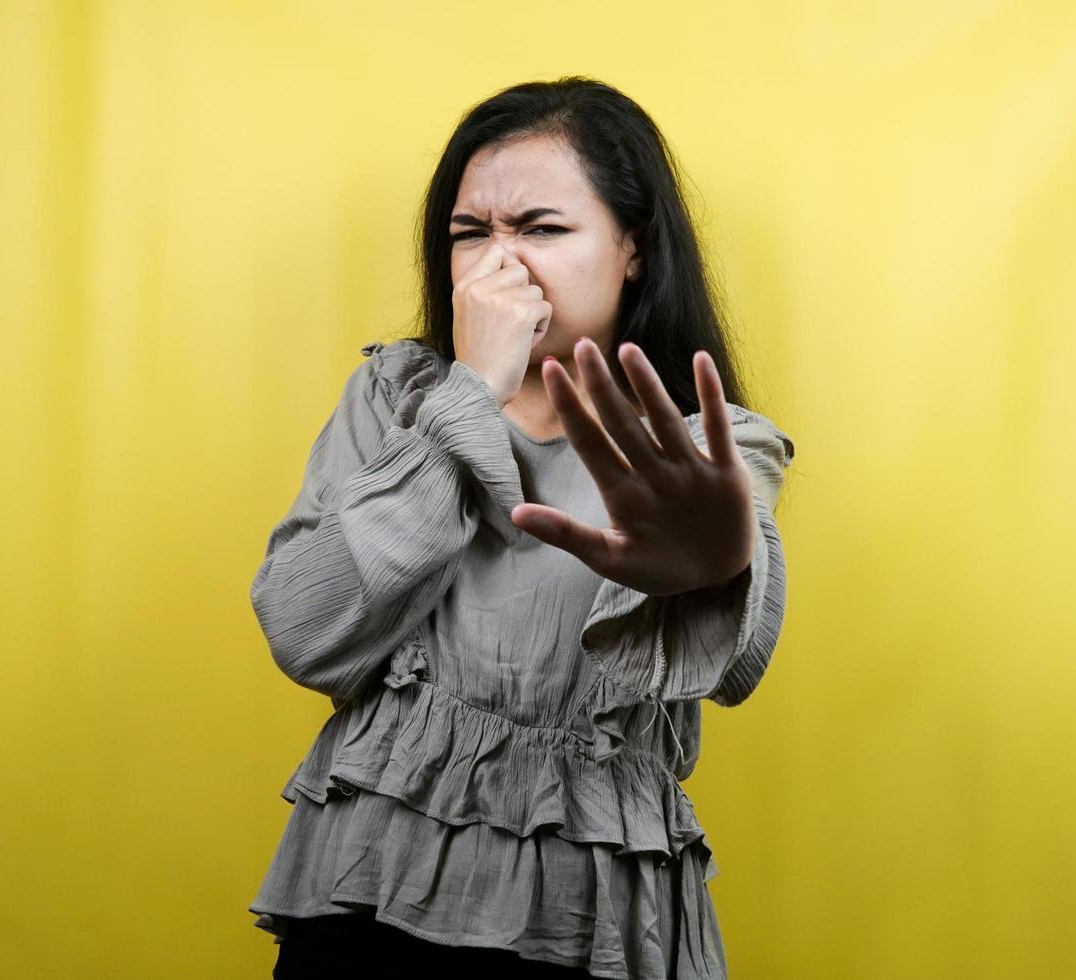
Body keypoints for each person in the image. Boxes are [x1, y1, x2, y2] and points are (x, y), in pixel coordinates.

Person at [247, 76, 795, 980]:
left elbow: (736, 662)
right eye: (471, 234)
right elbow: (307, 633)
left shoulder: (711, 441)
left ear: (633, 249)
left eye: (542, 229)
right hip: (366, 885)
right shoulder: (396, 396)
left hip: (585, 912)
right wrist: (471, 391)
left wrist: (712, 572)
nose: (499, 267)